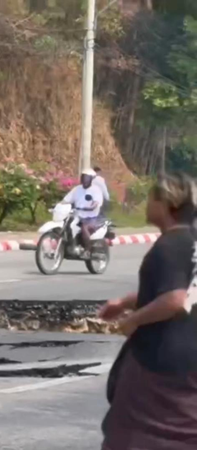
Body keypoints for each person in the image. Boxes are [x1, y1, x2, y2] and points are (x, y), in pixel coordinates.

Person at [99, 172, 197, 450]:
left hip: (160, 360)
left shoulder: (170, 245)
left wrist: (133, 320)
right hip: (188, 360)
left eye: (152, 197)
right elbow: (188, 292)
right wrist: (125, 302)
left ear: (166, 203)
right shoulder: (192, 242)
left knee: (137, 435)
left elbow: (175, 299)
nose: (147, 203)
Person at [61, 168, 104, 257]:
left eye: (87, 178)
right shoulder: (77, 189)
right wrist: (58, 205)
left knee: (84, 228)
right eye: (83, 177)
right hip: (77, 216)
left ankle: (88, 250)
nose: (85, 180)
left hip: (91, 218)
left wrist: (90, 207)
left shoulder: (96, 190)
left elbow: (96, 203)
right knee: (65, 225)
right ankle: (69, 245)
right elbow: (66, 200)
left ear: (91, 179)